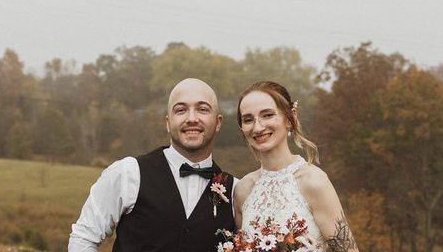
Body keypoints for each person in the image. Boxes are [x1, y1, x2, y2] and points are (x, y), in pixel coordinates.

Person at [68, 78, 235, 252]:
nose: (191, 118)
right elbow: (83, 239)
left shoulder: (236, 192)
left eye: (202, 109)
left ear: (218, 122)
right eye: (181, 110)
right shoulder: (128, 173)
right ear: (168, 122)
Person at [233, 81, 359, 252]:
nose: (258, 127)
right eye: (248, 120)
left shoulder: (314, 181)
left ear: (290, 117)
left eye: (268, 115)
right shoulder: (242, 190)